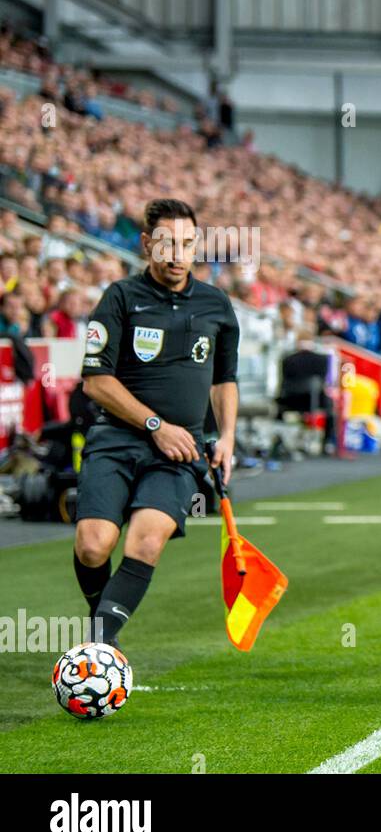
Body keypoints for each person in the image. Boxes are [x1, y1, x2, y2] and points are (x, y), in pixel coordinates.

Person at [73, 198, 240, 650]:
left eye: (186, 244)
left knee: (146, 542)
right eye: (166, 244)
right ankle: (99, 621)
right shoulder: (120, 298)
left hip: (181, 452)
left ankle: (97, 649)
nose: (176, 255)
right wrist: (154, 425)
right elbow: (95, 382)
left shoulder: (216, 306)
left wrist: (226, 438)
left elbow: (225, 380)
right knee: (92, 546)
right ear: (147, 244)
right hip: (116, 439)